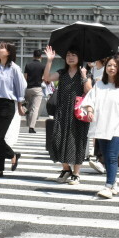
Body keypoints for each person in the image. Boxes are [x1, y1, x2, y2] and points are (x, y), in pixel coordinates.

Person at [80, 56, 119, 198]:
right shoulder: (99, 85)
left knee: (112, 156)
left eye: (115, 65)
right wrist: (89, 110)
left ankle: (108, 186)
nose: (112, 68)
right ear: (105, 68)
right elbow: (90, 100)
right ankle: (113, 183)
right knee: (107, 157)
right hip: (101, 125)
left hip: (118, 126)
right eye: (109, 65)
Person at [43, 45, 91, 185]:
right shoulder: (62, 73)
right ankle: (66, 168)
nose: (70, 57)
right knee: (58, 139)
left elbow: (89, 90)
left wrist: (83, 76)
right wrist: (49, 60)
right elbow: (47, 77)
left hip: (77, 112)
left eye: (74, 55)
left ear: (79, 58)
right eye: (68, 55)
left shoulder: (85, 73)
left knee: (78, 141)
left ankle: (76, 173)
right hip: (62, 111)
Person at [0, 41, 27, 177]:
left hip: (7, 104)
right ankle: (7, 160)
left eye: (1, 48)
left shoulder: (14, 68)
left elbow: (21, 86)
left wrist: (21, 104)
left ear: (8, 52)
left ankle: (0, 166)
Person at [23, 49, 45, 134]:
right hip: (37, 89)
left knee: (28, 107)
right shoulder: (42, 66)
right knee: (35, 108)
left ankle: (27, 119)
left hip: (28, 88)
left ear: (33, 56)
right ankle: (31, 127)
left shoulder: (28, 65)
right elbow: (44, 77)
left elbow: (25, 77)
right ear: (41, 57)